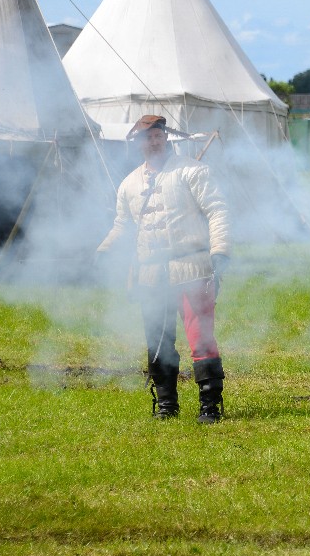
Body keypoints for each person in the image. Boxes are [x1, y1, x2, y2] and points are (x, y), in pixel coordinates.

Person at [97, 115, 231, 424]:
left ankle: (210, 406)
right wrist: (104, 250)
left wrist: (220, 249)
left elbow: (217, 209)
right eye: (147, 138)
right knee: (157, 342)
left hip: (192, 267)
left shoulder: (193, 171)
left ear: (165, 138)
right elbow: (123, 226)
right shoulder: (129, 184)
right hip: (151, 275)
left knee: (201, 338)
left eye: (157, 136)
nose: (153, 142)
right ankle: (167, 405)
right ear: (138, 145)